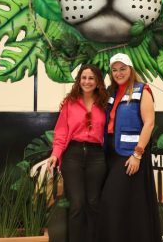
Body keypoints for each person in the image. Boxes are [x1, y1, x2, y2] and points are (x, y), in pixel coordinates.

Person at [98, 53, 161, 242]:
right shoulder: (110, 92)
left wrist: (137, 154)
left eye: (122, 69)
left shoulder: (142, 90)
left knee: (112, 200)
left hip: (130, 156)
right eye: (115, 70)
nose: (119, 73)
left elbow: (149, 123)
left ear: (131, 69)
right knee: (124, 206)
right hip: (110, 155)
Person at [47, 64, 108, 242]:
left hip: (96, 156)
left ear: (98, 81)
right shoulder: (70, 102)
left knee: (94, 203)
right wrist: (55, 154)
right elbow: (61, 132)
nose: (87, 81)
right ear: (79, 80)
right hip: (73, 155)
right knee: (77, 204)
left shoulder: (105, 103)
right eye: (84, 77)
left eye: (91, 78)